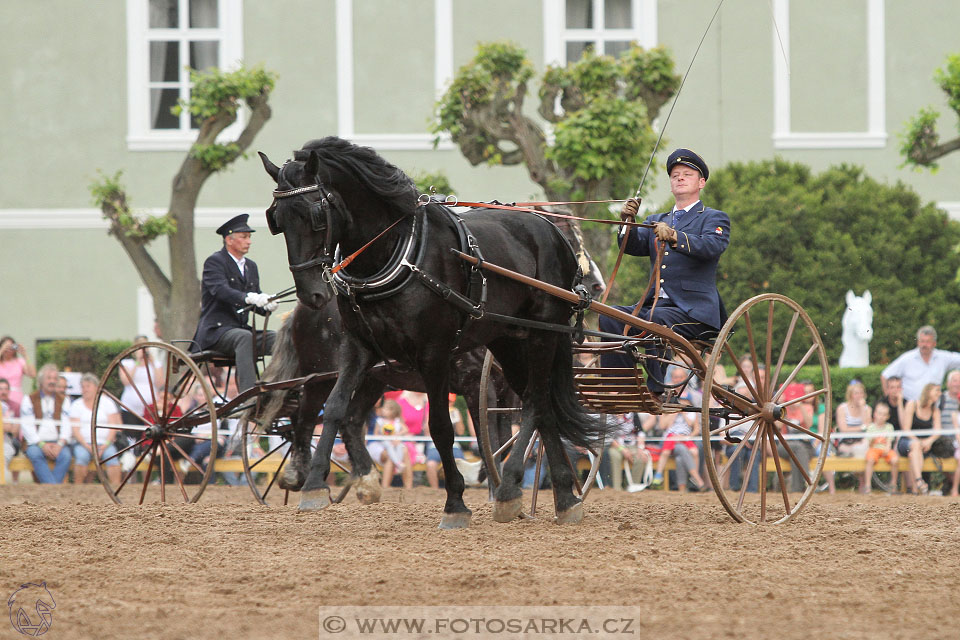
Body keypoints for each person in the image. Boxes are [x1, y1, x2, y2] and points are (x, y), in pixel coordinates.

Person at [599, 149, 730, 396]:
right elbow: (631, 246)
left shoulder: (713, 218)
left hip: (694, 312)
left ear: (701, 183)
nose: (679, 178)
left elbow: (712, 246)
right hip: (655, 306)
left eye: (687, 174)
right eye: (675, 175)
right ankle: (621, 385)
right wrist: (626, 221)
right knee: (609, 315)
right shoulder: (656, 218)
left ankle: (656, 388)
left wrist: (675, 237)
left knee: (653, 319)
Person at [192, 214, 278, 393]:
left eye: (249, 237)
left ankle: (277, 386)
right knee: (244, 337)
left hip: (240, 330)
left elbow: (255, 299)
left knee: (279, 339)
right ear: (229, 240)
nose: (249, 241)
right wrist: (250, 297)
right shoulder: (215, 262)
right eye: (244, 237)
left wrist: (267, 304)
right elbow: (221, 291)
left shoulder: (251, 266)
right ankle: (249, 394)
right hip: (216, 332)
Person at [19, 364, 72, 484]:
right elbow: (27, 426)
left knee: (66, 456)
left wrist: (60, 444)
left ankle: (50, 489)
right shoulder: (29, 399)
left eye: (55, 378)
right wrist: (42, 444)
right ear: (41, 381)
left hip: (57, 442)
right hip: (36, 443)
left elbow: (67, 425)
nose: (52, 381)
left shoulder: (64, 400)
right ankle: (53, 489)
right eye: (49, 378)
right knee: (35, 454)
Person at [881, 326, 960, 401]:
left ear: (934, 343)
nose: (924, 345)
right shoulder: (907, 358)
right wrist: (889, 401)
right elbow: (885, 375)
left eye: (928, 342)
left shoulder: (943, 358)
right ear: (918, 342)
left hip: (934, 408)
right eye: (922, 341)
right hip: (910, 408)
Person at [69, 373, 122, 485]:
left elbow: (113, 426)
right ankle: (78, 488)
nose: (85, 389)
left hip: (105, 443)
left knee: (112, 458)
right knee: (81, 457)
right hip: (83, 444)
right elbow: (75, 430)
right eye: (83, 387)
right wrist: (88, 446)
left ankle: (116, 487)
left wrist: (105, 445)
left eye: (88, 386)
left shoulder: (107, 403)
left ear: (96, 387)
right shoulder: (76, 405)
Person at [824, 380, 872, 493]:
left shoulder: (867, 409)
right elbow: (844, 429)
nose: (859, 396)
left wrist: (863, 409)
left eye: (861, 393)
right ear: (850, 395)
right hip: (846, 442)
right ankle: (855, 477)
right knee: (856, 450)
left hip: (861, 441)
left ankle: (862, 482)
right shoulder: (842, 408)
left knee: (862, 449)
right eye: (856, 393)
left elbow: (868, 427)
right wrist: (861, 428)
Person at [899, 382, 942, 494]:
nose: (940, 393)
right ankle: (919, 480)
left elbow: (937, 432)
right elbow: (906, 429)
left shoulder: (935, 410)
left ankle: (915, 489)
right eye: (937, 390)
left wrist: (929, 441)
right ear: (928, 392)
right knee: (915, 446)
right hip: (907, 441)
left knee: (913, 454)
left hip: (923, 446)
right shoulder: (912, 404)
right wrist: (920, 442)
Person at [368, 399, 413, 489]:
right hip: (379, 443)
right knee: (389, 453)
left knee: (403, 449)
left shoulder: (397, 421)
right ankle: (386, 484)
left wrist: (397, 437)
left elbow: (405, 429)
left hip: (394, 442)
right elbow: (375, 434)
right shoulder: (378, 420)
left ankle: (408, 486)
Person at [862, 402, 898, 494]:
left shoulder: (889, 427)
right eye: (879, 414)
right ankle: (867, 485)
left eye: (884, 414)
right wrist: (873, 440)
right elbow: (869, 445)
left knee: (895, 460)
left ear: (887, 416)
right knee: (870, 460)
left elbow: (889, 441)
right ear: (875, 414)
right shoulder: (870, 427)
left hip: (886, 449)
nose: (881, 416)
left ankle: (893, 484)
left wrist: (887, 448)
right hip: (874, 449)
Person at [0, 336, 36, 407]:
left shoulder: (20, 362)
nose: (9, 349)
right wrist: (1, 350)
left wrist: (25, 355)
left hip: (16, 398)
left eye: (11, 346)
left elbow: (33, 374)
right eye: (7, 346)